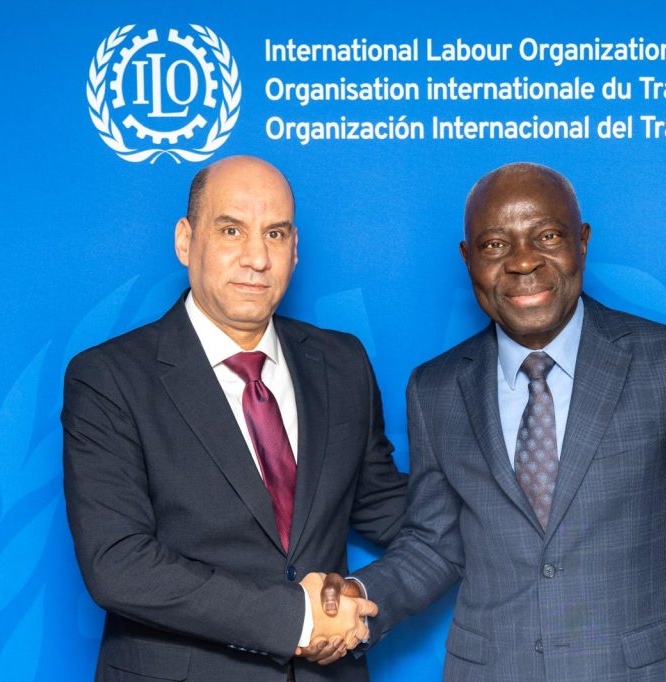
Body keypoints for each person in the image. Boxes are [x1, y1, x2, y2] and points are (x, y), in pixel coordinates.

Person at [319, 162, 666, 680]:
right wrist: (359, 595)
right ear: (468, 258)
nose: (523, 261)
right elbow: (435, 543)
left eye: (547, 236)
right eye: (495, 244)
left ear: (582, 242)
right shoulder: (435, 389)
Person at [62, 155, 408, 682]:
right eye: (231, 230)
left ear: (295, 249)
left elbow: (384, 507)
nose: (257, 258)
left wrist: (501, 502)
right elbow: (118, 564)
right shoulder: (110, 378)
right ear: (186, 240)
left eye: (275, 234)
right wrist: (297, 617)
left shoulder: (342, 363)